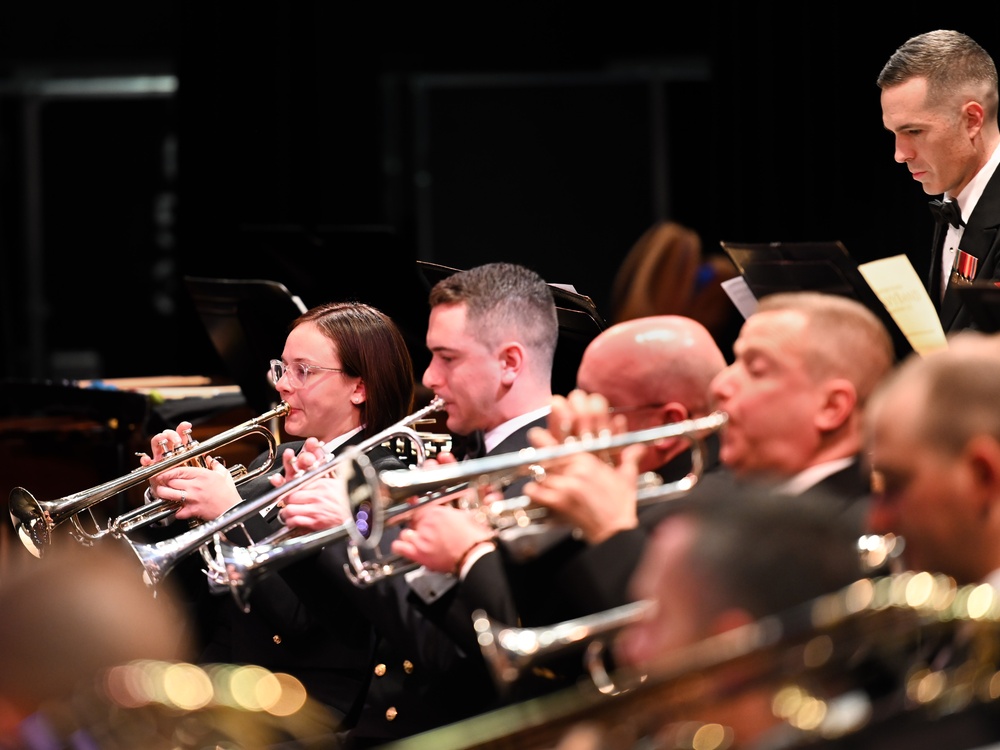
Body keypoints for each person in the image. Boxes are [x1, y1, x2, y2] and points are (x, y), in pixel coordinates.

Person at [273, 262, 561, 746]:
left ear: (510, 363)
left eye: (447, 358)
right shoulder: (469, 455)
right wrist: (312, 527)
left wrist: (354, 528)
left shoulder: (547, 472)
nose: (429, 377)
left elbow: (448, 653)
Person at [137, 300, 417, 730]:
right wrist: (175, 500)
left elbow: (301, 620)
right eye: (281, 368)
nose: (283, 385)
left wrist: (228, 513)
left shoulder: (381, 480)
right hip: (222, 678)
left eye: (303, 371)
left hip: (301, 705)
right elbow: (195, 584)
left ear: (359, 388)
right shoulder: (281, 455)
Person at [704, 290, 896, 519]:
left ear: (832, 407)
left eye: (756, 370)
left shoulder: (863, 533)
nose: (719, 385)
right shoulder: (720, 499)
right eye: (735, 362)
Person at [878, 29, 1000, 332]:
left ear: (972, 120)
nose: (899, 154)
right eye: (894, 133)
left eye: (915, 131)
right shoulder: (954, 199)